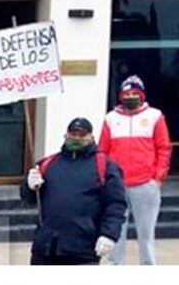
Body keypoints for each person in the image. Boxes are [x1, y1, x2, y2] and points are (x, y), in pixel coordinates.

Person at [22, 117, 127, 265]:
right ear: (65, 135)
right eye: (73, 134)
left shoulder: (105, 167)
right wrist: (29, 186)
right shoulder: (47, 164)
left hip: (83, 249)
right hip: (46, 247)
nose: (77, 138)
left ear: (91, 137)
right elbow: (30, 199)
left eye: (82, 135)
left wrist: (109, 235)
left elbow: (115, 205)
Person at [99, 75, 172, 265]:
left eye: (134, 93)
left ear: (141, 94)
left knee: (146, 235)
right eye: (126, 93)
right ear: (120, 95)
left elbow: (163, 148)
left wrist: (157, 178)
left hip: (145, 184)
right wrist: (104, 178)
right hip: (117, 185)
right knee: (116, 232)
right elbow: (102, 152)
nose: (130, 96)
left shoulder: (154, 116)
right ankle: (116, 268)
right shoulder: (111, 118)